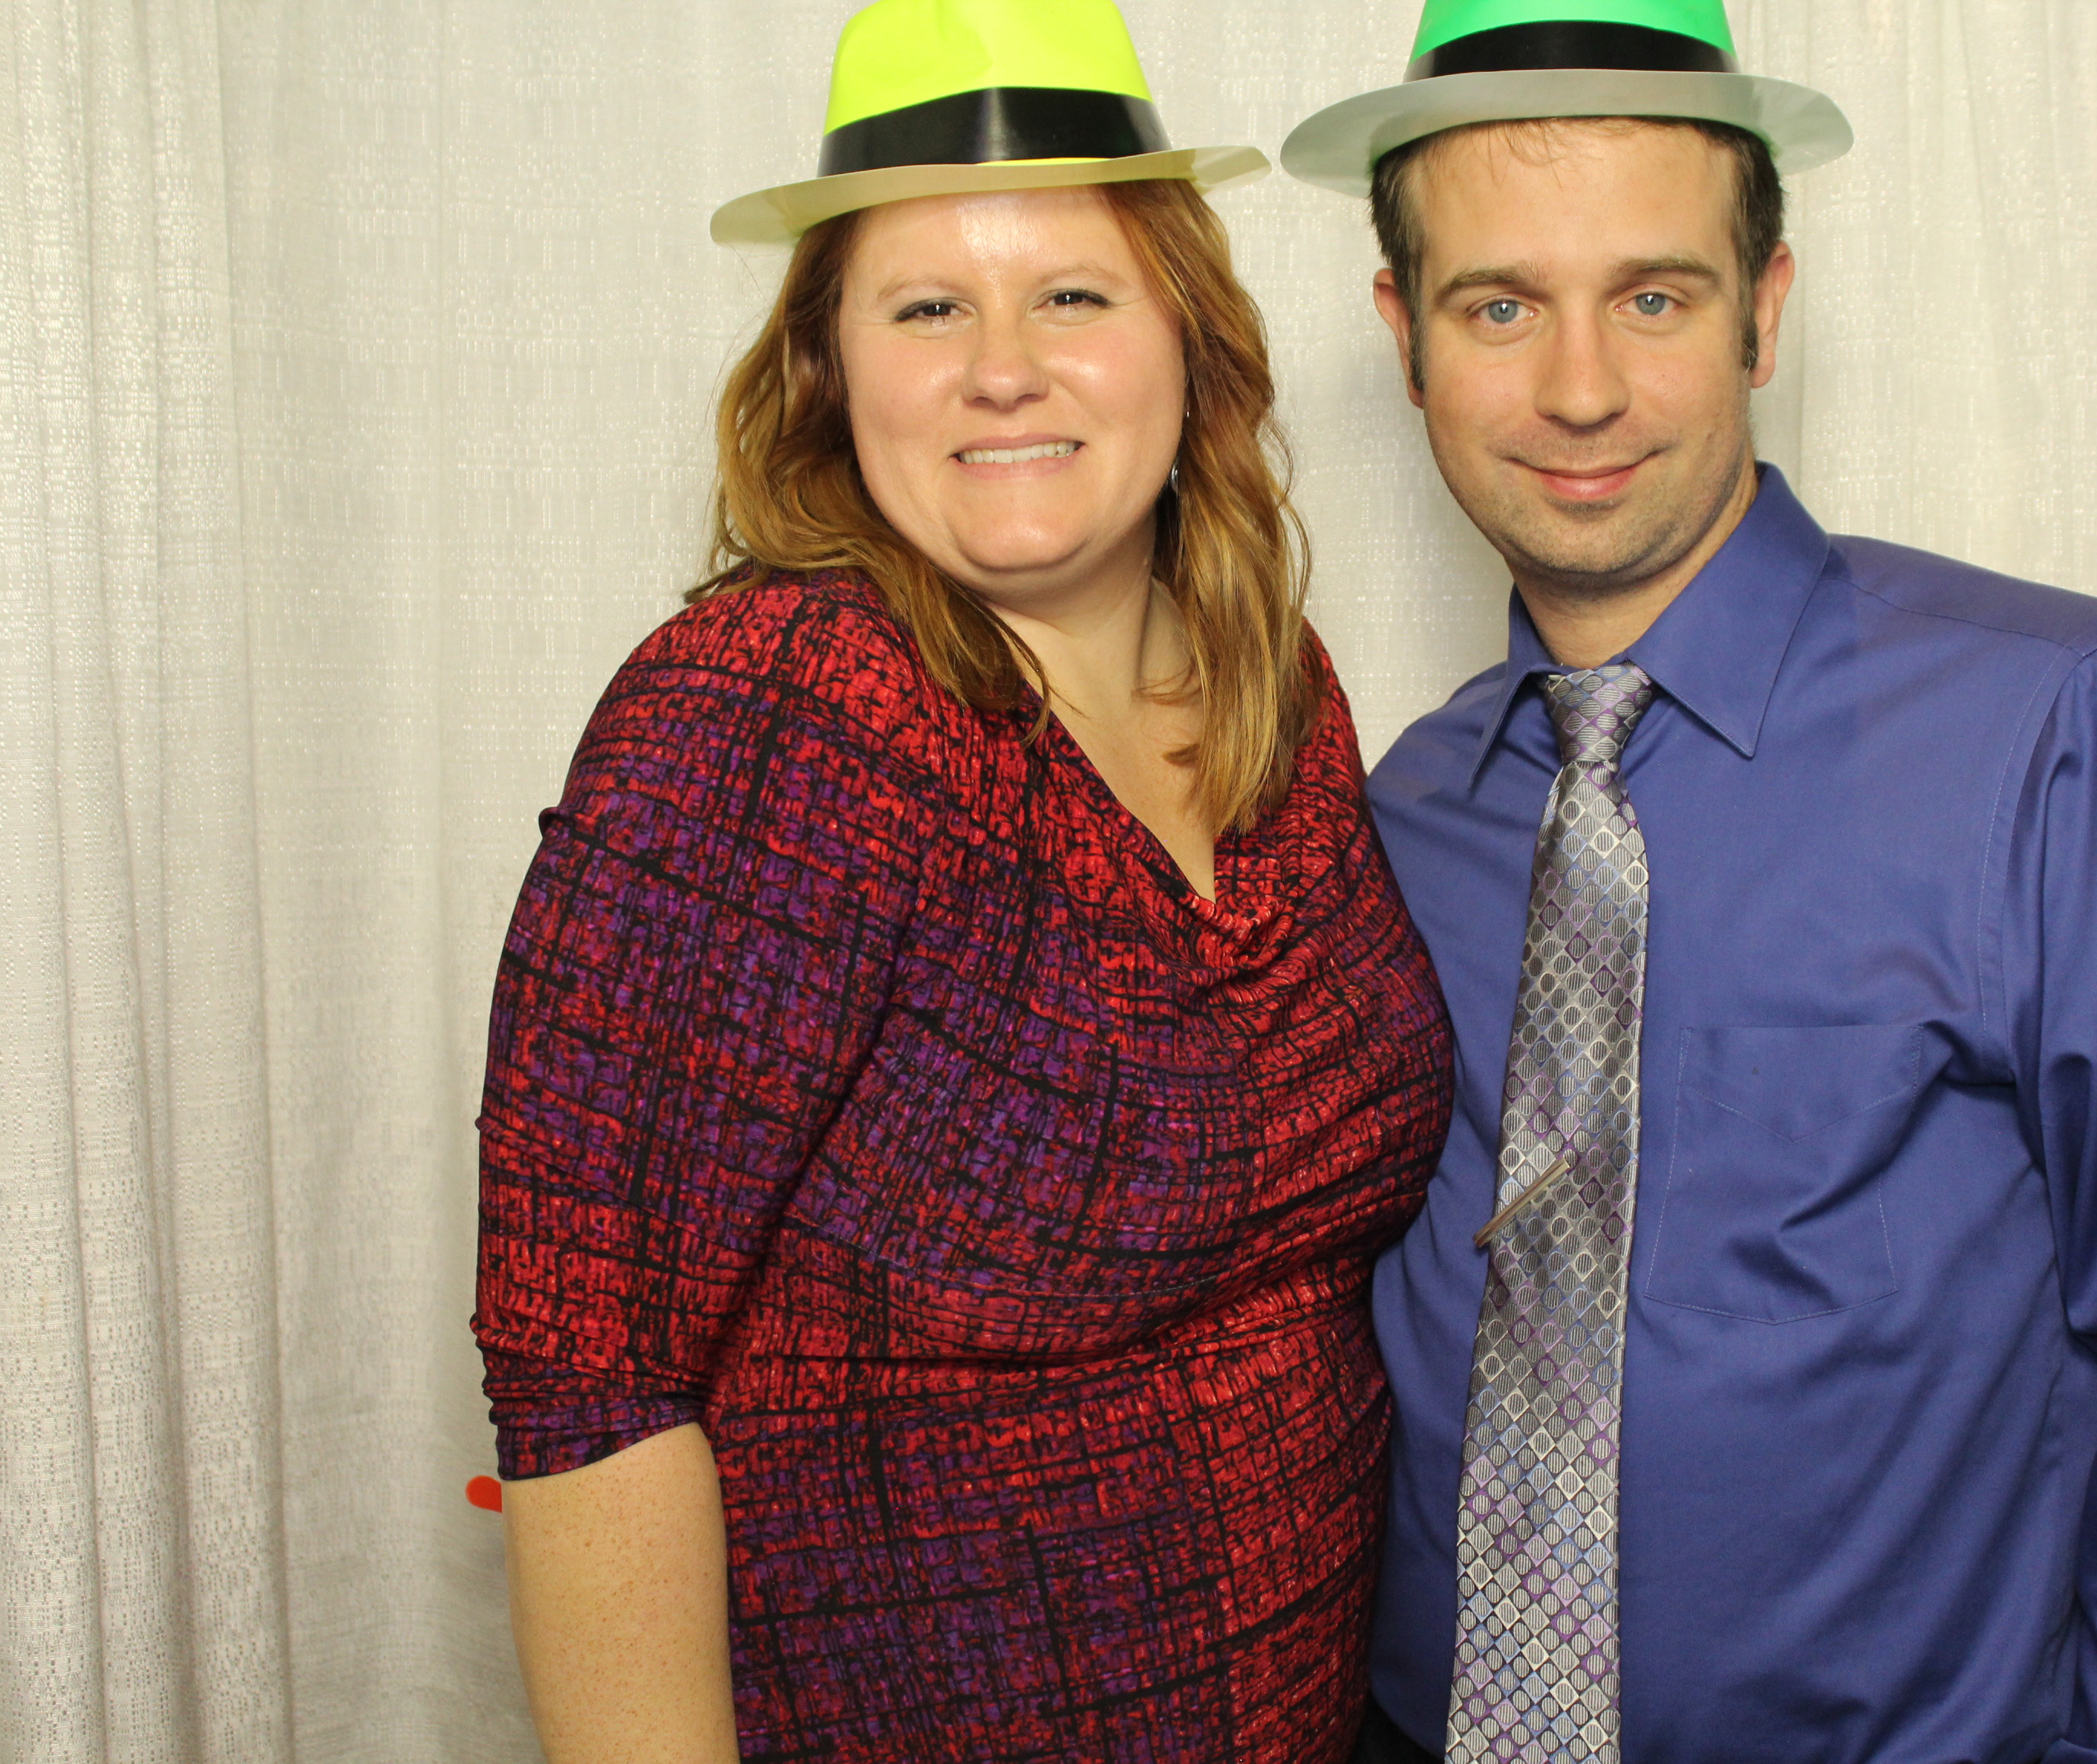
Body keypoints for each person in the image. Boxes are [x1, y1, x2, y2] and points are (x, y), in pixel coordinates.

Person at [1281, 3, 2097, 1761]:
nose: (1580, 386)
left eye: (1656, 295)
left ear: (1766, 313)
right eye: (1501, 304)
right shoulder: (1405, 809)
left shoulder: (2061, 733)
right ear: (1402, 335)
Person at [471, 1, 1455, 1757]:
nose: (1006, 364)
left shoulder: (1273, 689)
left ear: (1188, 341)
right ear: (831, 373)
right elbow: (587, 1379)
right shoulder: (776, 715)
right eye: (928, 307)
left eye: (1072, 293)